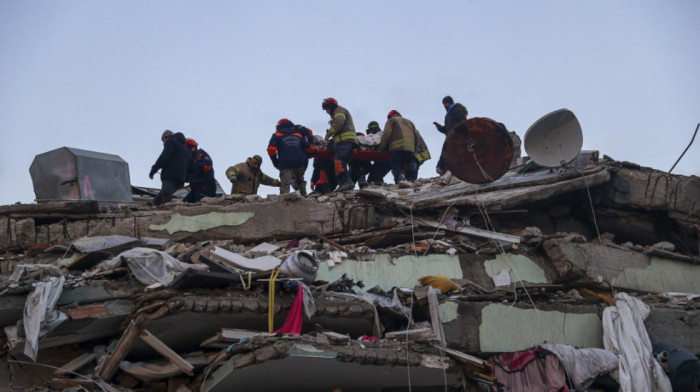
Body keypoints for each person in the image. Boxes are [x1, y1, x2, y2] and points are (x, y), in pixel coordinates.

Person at [267, 118, 316, 195]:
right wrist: (315, 151)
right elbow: (308, 147)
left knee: (285, 184)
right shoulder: (298, 134)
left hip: (286, 163)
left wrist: (275, 162)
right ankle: (304, 198)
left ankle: (284, 202)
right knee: (300, 181)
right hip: (300, 162)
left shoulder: (277, 135)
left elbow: (271, 149)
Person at [322, 97, 357, 192]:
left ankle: (347, 182)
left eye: (327, 108)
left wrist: (328, 135)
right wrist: (333, 142)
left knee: (339, 161)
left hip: (346, 141)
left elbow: (339, 122)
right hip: (342, 142)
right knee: (337, 162)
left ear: (332, 106)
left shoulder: (339, 110)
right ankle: (343, 184)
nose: (326, 111)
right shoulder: (336, 113)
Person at [149, 130, 192, 206]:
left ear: (168, 137)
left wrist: (153, 170)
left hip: (170, 177)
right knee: (159, 199)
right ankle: (155, 206)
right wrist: (187, 178)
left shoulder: (171, 142)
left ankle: (166, 214)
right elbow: (191, 167)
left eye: (163, 140)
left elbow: (164, 157)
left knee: (166, 197)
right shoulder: (187, 150)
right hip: (180, 180)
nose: (163, 143)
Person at [433, 96, 468, 176]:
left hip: (458, 138)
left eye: (446, 103)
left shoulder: (457, 109)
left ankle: (450, 172)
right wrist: (440, 128)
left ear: (450, 102)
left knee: (453, 155)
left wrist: (461, 135)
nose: (444, 105)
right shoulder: (448, 115)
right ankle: (443, 171)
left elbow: (464, 122)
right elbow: (447, 129)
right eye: (443, 104)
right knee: (446, 153)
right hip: (450, 138)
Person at [378, 110, 416, 184]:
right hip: (410, 149)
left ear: (389, 116)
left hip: (398, 148)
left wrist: (380, 149)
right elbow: (416, 137)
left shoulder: (391, 121)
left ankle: (400, 179)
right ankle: (406, 181)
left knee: (395, 165)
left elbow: (386, 136)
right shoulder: (409, 122)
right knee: (403, 165)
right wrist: (413, 150)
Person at [183, 138, 216, 203]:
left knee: (200, 204)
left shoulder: (202, 155)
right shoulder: (191, 159)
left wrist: (193, 163)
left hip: (206, 188)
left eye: (192, 148)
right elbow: (188, 177)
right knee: (183, 203)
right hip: (195, 189)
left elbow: (206, 167)